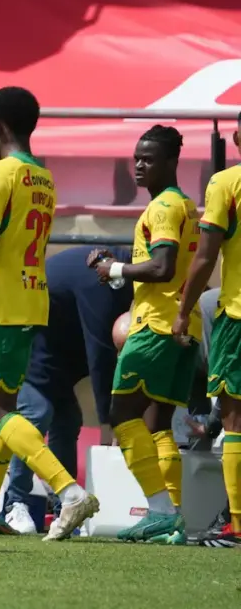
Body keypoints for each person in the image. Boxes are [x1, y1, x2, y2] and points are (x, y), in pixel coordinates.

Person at [0, 86, 98, 541]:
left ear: (0, 126)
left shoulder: (1, 174)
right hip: (30, 301)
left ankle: (68, 490)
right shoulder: (43, 178)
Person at [89, 125, 200, 543]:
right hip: (182, 324)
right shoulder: (184, 205)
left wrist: (114, 268)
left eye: (148, 159)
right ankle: (172, 519)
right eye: (136, 158)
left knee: (122, 416)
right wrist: (118, 271)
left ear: (172, 162)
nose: (139, 165)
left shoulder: (163, 207)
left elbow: (163, 267)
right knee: (159, 424)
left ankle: (161, 511)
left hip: (155, 326)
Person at [2, 245, 133, 534]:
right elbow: (101, 354)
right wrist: (108, 422)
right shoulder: (104, 281)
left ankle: (66, 506)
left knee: (67, 419)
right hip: (28, 337)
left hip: (56, 345)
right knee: (36, 412)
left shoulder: (124, 278)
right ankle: (14, 503)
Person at [173, 116, 241, 547]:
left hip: (238, 314)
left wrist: (183, 311)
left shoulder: (226, 183)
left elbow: (204, 256)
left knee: (235, 420)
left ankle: (236, 524)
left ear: (235, 137)